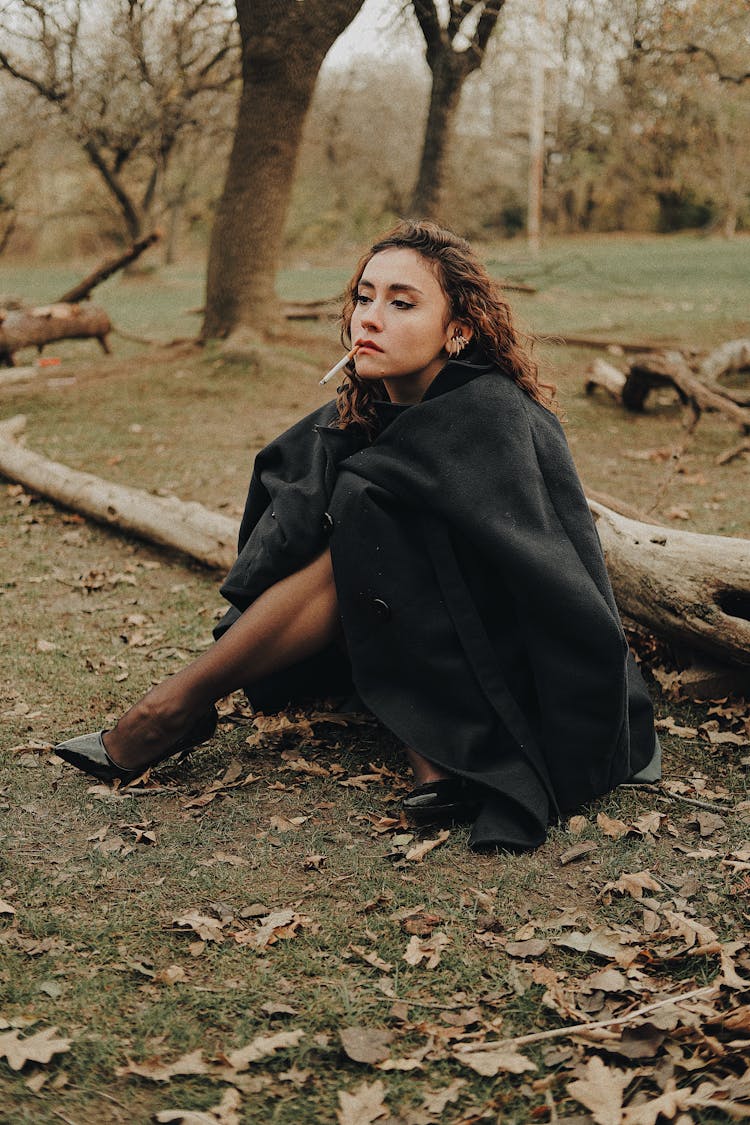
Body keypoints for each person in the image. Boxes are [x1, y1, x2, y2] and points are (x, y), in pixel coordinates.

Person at [55, 220, 659, 851]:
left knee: (369, 506)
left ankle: (172, 708)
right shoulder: (377, 401)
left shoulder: (491, 410)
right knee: (361, 505)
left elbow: (533, 573)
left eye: (402, 303)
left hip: (529, 666)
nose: (370, 319)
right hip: (439, 632)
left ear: (458, 331)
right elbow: (287, 481)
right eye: (364, 297)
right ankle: (420, 748)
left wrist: (357, 491)